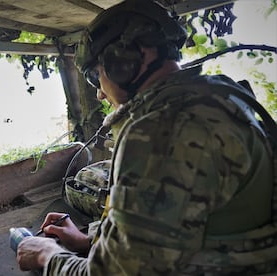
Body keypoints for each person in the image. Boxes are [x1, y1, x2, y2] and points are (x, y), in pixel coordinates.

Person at [16, 0, 276, 274]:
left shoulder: (163, 131)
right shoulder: (215, 98)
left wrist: (48, 255)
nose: (100, 93)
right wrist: (91, 240)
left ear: (123, 62)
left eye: (95, 76)